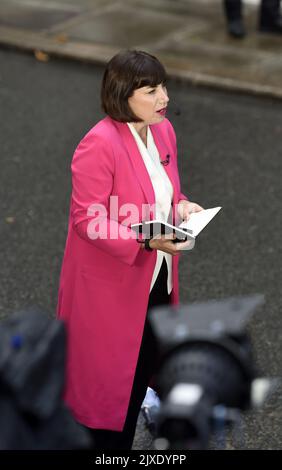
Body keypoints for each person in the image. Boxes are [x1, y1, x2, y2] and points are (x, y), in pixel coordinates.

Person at [56, 49, 203, 450]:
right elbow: (88, 219)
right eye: (152, 90)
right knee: (108, 400)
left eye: (163, 87)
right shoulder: (98, 144)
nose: (164, 98)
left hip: (155, 278)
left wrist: (182, 206)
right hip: (111, 291)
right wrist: (143, 239)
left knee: (140, 375)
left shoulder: (163, 131)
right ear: (123, 95)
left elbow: (164, 190)